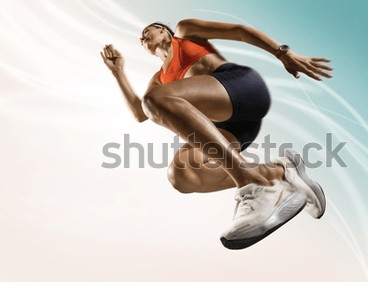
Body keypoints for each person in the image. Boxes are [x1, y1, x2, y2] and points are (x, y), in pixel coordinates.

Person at [101, 19, 332, 249]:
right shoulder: (159, 79)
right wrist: (118, 73)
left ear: (163, 30)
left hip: (244, 89)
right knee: (180, 175)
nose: (143, 37)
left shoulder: (184, 32)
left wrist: (282, 53)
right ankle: (279, 172)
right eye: (140, 39)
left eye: (147, 31)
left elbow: (239, 31)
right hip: (230, 129)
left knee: (155, 100)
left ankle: (252, 183)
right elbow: (141, 113)